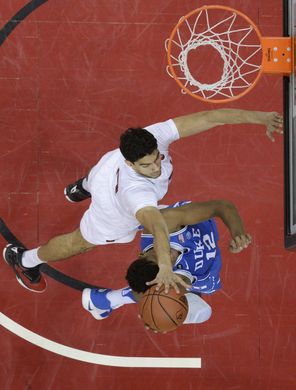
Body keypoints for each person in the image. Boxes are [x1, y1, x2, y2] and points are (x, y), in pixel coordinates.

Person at [3, 110, 282, 293]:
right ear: (130, 163)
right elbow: (158, 227)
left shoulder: (154, 137)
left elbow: (213, 117)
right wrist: (164, 267)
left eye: (156, 158)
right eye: (146, 165)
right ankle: (25, 259)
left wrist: (262, 118)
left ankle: (82, 186)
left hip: (103, 169)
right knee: (80, 243)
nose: (156, 168)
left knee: (97, 176)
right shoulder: (136, 193)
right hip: (112, 214)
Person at [81, 199, 252, 329]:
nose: (168, 254)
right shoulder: (182, 280)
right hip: (205, 273)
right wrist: (153, 314)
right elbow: (157, 294)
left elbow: (222, 206)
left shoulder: (169, 223)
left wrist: (238, 233)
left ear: (143, 254)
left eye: (159, 257)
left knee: (154, 215)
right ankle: (106, 300)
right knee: (202, 313)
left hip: (189, 223)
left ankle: (105, 300)